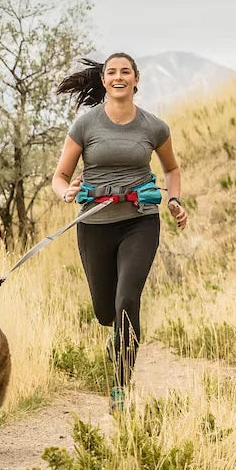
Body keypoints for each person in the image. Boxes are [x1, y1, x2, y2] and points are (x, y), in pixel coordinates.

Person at [51, 53, 188, 411]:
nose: (118, 77)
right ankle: (117, 338)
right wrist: (65, 191)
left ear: (136, 80)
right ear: (103, 81)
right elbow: (59, 176)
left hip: (140, 220)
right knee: (105, 312)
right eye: (112, 72)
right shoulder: (86, 125)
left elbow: (171, 169)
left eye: (125, 71)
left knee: (127, 300)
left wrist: (173, 200)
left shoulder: (153, 127)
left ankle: (120, 387)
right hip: (94, 224)